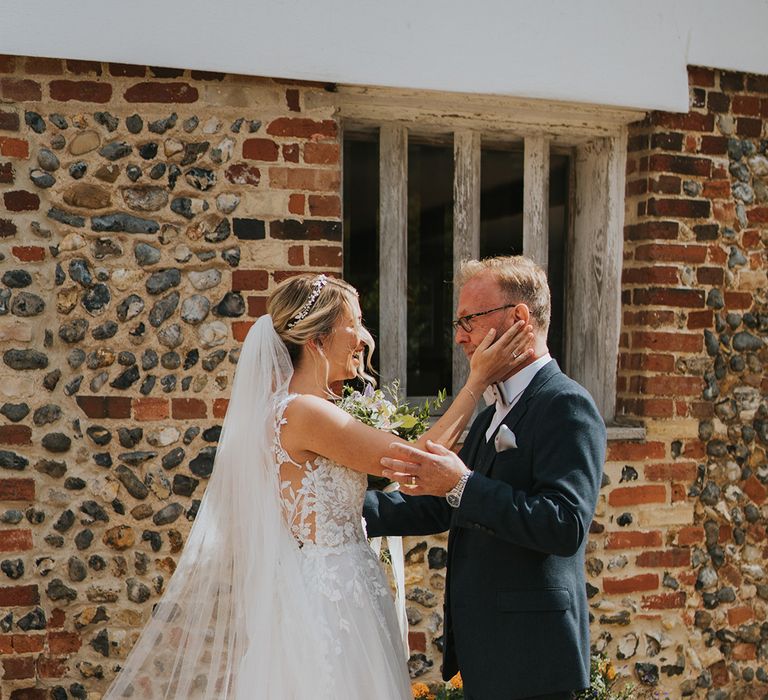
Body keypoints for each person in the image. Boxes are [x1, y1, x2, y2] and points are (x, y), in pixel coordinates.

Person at [104, 273, 534, 700]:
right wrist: (476, 382)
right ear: (318, 339)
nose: (364, 338)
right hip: (331, 600)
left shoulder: (309, 409)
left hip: (344, 584)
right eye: (355, 324)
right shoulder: (304, 413)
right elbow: (414, 462)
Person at [364, 256, 606, 700]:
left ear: (519, 318)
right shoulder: (489, 415)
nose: (459, 336)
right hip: (488, 654)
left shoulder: (566, 404)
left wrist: (462, 483)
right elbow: (442, 503)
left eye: (470, 320)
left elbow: (565, 524)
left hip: (533, 658)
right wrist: (349, 511)